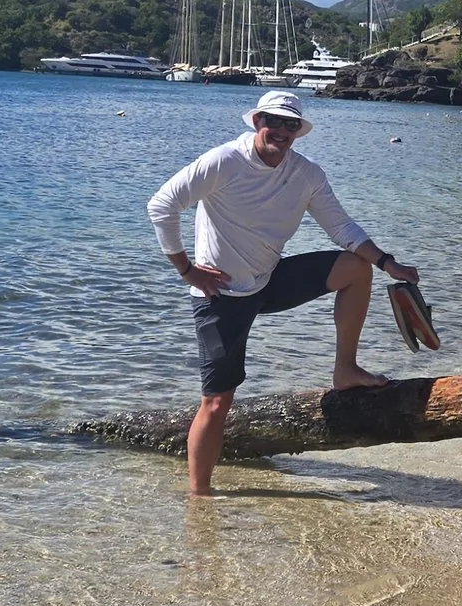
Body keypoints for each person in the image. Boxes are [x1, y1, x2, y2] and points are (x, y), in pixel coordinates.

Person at [147, 90, 419, 499]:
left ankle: (345, 370)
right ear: (257, 122)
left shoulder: (305, 174)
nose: (281, 131)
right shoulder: (224, 160)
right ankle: (199, 500)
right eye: (273, 121)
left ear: (298, 131)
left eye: (290, 124)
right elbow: (162, 205)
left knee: (355, 268)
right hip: (220, 294)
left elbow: (341, 227)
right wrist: (186, 269)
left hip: (269, 279)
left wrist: (387, 262)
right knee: (217, 402)